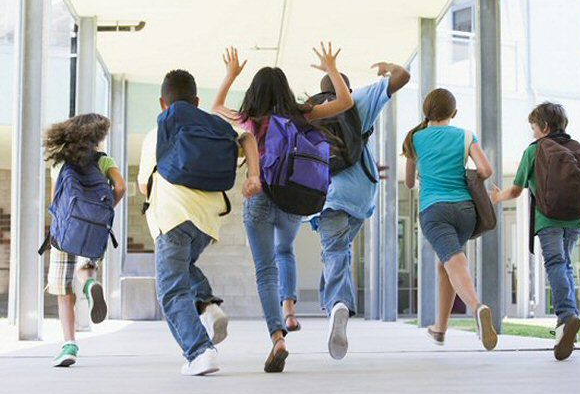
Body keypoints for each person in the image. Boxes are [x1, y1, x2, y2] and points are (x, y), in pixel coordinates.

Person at [212, 43, 353, 372]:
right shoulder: (302, 114)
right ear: (285, 90)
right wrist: (331, 67)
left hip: (259, 195)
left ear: (255, 93)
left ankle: (277, 337)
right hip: (293, 198)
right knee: (285, 250)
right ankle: (290, 307)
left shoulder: (250, 119)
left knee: (265, 271)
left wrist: (231, 74)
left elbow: (217, 105)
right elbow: (345, 102)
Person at [137, 69, 261, 376]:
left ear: (163, 104)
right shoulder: (215, 130)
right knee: (183, 269)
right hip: (206, 223)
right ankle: (208, 304)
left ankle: (200, 352)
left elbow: (143, 186)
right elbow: (246, 138)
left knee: (171, 288)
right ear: (196, 101)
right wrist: (254, 175)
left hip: (172, 217)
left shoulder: (158, 132)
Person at [298, 61, 410, 360]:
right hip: (360, 193)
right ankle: (335, 305)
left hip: (324, 194)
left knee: (335, 253)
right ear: (346, 89)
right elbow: (403, 77)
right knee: (337, 253)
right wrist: (388, 67)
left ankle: (338, 304)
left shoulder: (309, 112)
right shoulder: (358, 100)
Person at [492, 102, 580, 361]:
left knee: (555, 263)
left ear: (545, 127)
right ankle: (566, 323)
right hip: (576, 219)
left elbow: (516, 191)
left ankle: (566, 316)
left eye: (533, 128)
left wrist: (497, 197)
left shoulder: (534, 151)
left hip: (548, 218)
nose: (532, 134)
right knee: (565, 265)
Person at [404, 88, 498, 351]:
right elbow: (486, 170)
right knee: (445, 264)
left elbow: (410, 182)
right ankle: (440, 329)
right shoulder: (466, 135)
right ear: (453, 113)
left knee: (455, 261)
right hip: (466, 211)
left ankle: (477, 307)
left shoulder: (414, 138)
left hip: (435, 211)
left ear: (426, 111)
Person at [44, 113, 127, 367]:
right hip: (93, 227)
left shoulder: (60, 162)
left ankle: (69, 345)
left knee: (63, 291)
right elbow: (121, 186)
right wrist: (103, 212)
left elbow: (55, 200)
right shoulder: (104, 160)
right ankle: (90, 284)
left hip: (64, 230)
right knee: (86, 266)